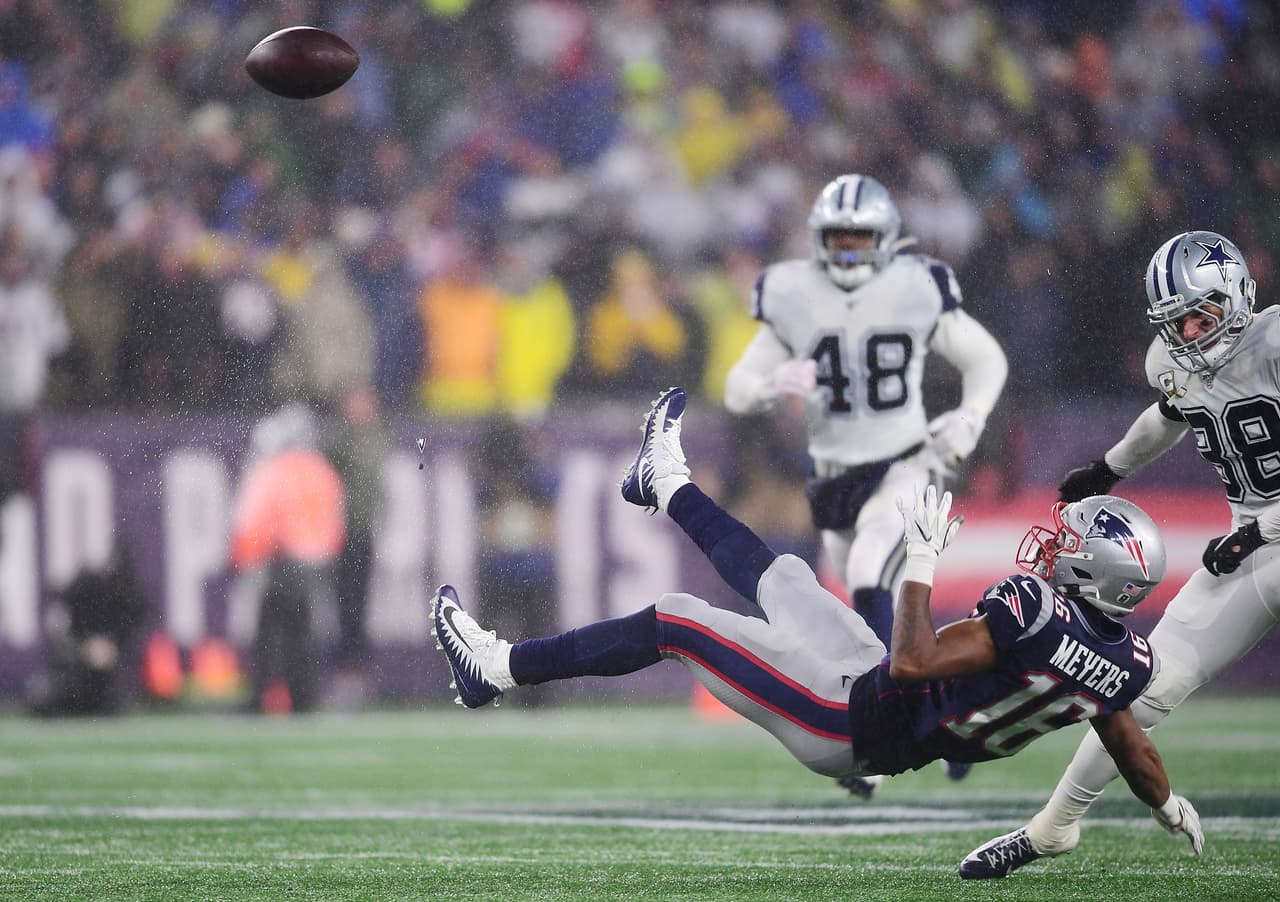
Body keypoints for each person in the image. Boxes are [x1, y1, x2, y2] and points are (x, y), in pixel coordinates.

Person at [430, 386, 1202, 860]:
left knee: (679, 620)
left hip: (850, 718)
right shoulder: (1124, 661)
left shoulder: (1033, 612)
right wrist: (1167, 805)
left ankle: (496, 668)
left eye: (1072, 544)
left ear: (1093, 571)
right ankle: (664, 483)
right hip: (881, 713)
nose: (1055, 544)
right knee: (785, 578)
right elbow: (1132, 748)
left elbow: (912, 661)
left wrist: (923, 566)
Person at [958, 229, 1266, 878]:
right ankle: (1053, 828)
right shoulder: (1175, 361)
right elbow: (1169, 414)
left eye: (1198, 315)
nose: (1185, 332)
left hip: (1258, 536)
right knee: (1137, 683)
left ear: (1234, 295)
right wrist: (1109, 467)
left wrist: (1261, 531)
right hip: (1252, 547)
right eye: (1173, 320)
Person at [724, 173, 1007, 794]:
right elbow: (736, 385)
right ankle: (942, 718)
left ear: (884, 239)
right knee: (852, 623)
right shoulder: (791, 291)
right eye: (837, 237)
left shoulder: (915, 285)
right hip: (832, 481)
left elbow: (986, 359)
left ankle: (906, 728)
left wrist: (969, 418)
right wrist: (773, 385)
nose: (847, 250)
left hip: (903, 463)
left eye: (859, 237)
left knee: (870, 569)